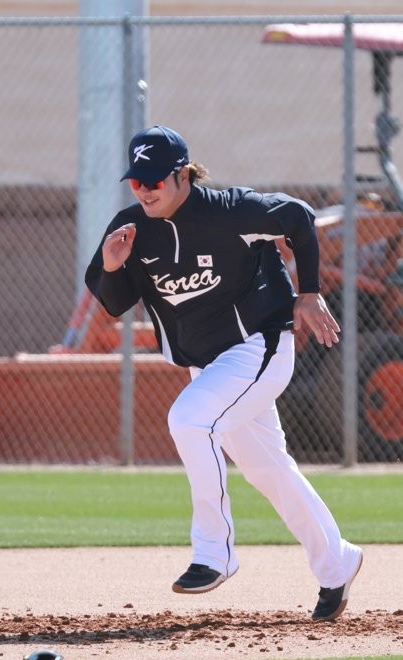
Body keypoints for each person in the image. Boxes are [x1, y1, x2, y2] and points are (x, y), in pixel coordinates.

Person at [85, 125, 363, 622]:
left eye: (154, 180)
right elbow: (113, 302)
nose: (144, 190)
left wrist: (309, 291)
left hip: (260, 345)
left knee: (190, 420)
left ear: (181, 174)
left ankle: (215, 552)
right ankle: (337, 563)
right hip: (210, 366)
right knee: (267, 468)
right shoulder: (131, 227)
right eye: (136, 181)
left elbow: (299, 218)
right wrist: (111, 265)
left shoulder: (229, 211)